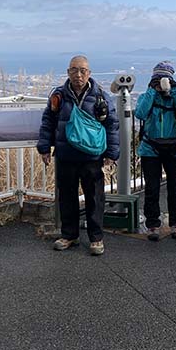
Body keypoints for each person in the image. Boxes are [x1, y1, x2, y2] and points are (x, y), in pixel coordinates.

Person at [37, 55, 120, 256]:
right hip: (65, 155)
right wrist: (44, 147)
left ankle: (96, 238)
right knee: (67, 197)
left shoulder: (100, 95)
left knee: (94, 198)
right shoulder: (59, 95)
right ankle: (69, 235)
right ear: (68, 72)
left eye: (83, 70)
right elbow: (48, 120)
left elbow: (112, 125)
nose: (78, 74)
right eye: (74, 70)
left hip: (91, 157)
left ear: (89, 73)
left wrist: (111, 154)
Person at [134, 61, 176, 240]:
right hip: (151, 147)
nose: (160, 82)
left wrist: (174, 90)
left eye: (164, 79)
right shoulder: (146, 96)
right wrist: (152, 91)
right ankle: (152, 224)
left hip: (173, 148)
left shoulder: (174, 96)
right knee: (152, 188)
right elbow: (140, 113)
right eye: (157, 79)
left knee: (175, 188)